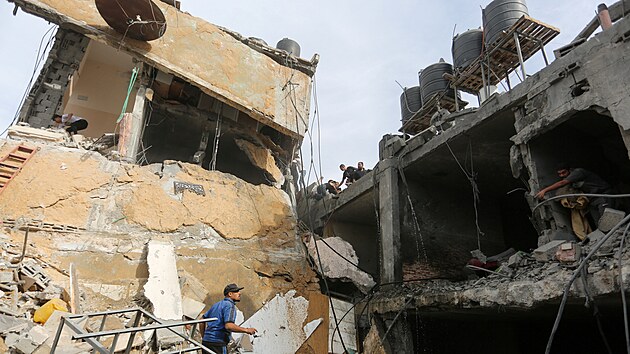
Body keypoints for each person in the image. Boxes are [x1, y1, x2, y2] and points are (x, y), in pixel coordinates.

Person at [535, 163, 613, 224]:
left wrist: (544, 190)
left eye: (563, 172)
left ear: (569, 170)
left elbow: (562, 183)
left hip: (602, 196)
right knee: (599, 223)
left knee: (608, 221)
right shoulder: (570, 180)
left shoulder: (578, 172)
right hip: (592, 200)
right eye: (559, 174)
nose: (562, 175)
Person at [199, 283, 257, 354]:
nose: (239, 293)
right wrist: (246, 330)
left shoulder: (216, 305)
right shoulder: (229, 305)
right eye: (236, 292)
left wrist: (204, 336)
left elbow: (202, 320)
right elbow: (229, 326)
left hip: (206, 343)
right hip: (218, 343)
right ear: (230, 294)